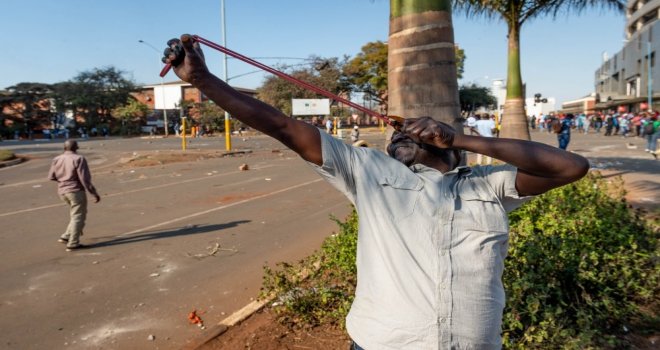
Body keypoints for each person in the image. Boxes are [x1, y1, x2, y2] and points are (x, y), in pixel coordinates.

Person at [162, 35, 589, 349]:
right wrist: (203, 79)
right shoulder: (368, 172)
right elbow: (281, 125)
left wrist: (461, 140)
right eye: (397, 134)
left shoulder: (489, 186)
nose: (397, 134)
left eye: (417, 129)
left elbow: (573, 166)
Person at [48, 140, 101, 251]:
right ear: (76, 147)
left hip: (62, 191)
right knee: (78, 216)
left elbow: (51, 176)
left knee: (75, 214)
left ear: (64, 147)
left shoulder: (57, 159)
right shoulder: (79, 159)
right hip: (75, 191)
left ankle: (66, 236)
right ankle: (73, 243)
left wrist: (63, 180)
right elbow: (84, 179)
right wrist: (93, 193)